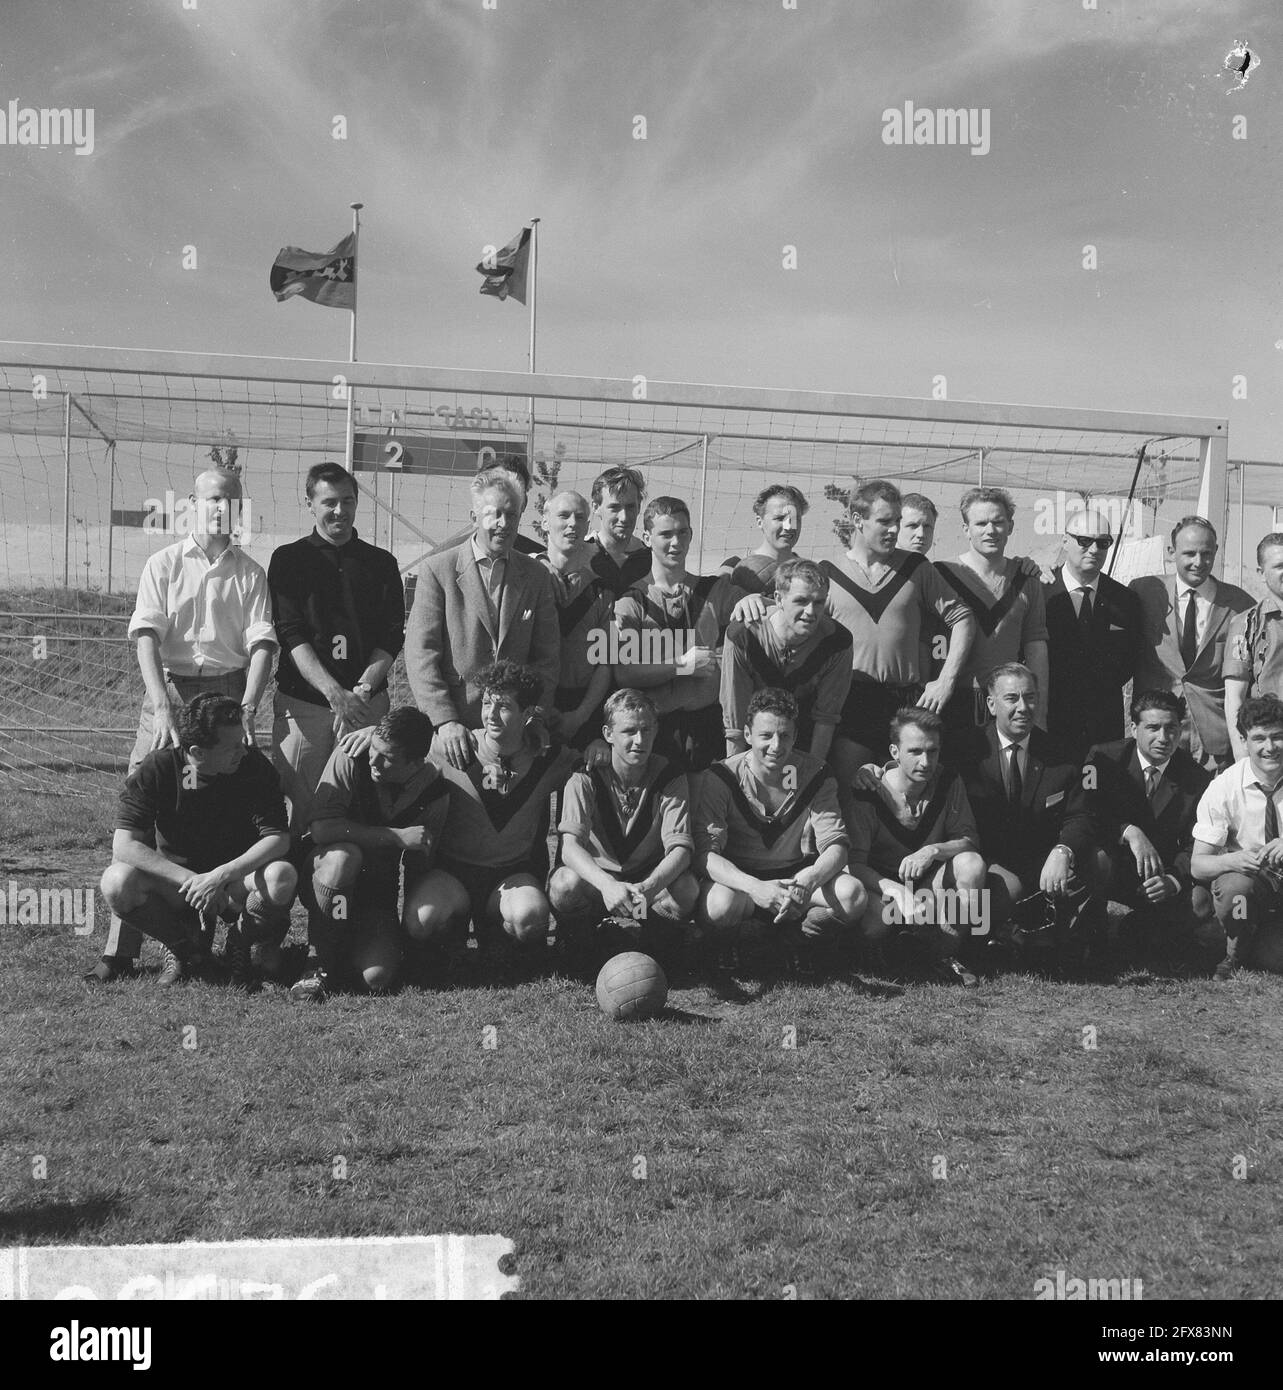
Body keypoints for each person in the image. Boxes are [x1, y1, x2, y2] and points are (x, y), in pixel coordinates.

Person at [87, 467, 277, 983]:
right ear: (192, 503)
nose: (223, 508)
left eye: (233, 500)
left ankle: (224, 939)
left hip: (230, 695)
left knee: (231, 810)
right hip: (168, 694)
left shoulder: (252, 572)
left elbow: (263, 644)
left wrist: (249, 707)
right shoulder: (163, 563)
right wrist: (162, 706)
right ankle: (121, 951)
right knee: (143, 815)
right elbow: (146, 635)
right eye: (214, 498)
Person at [97, 694, 297, 989]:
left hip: (235, 884)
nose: (242, 750)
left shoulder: (253, 765)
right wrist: (194, 881)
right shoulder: (159, 767)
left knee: (282, 875)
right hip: (179, 887)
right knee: (115, 882)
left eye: (241, 741)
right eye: (231, 747)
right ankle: (183, 947)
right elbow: (124, 846)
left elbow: (278, 840)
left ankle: (238, 946)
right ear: (198, 752)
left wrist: (221, 875)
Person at [268, 461, 405, 839]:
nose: (339, 511)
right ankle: (286, 893)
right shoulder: (288, 560)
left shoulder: (381, 563)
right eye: (329, 502)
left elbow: (392, 636)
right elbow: (291, 634)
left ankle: (354, 897)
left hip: (365, 705)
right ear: (310, 503)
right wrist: (334, 694)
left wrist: (360, 691)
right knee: (303, 813)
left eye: (347, 501)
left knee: (364, 806)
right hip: (307, 707)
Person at [413, 661, 579, 960]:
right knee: (422, 921)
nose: (490, 714)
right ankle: (455, 934)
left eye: (503, 706)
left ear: (528, 714)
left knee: (530, 919)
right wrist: (369, 732)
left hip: (510, 873)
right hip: (454, 873)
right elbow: (403, 742)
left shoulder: (549, 758)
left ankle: (496, 934)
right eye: (486, 702)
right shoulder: (452, 747)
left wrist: (597, 747)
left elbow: (584, 764)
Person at [289, 707, 451, 1002]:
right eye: (374, 748)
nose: (373, 760)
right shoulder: (351, 754)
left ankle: (348, 946)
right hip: (326, 875)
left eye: (387, 757)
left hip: (375, 896)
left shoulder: (434, 791)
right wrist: (395, 837)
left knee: (377, 978)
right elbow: (322, 830)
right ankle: (317, 961)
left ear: (415, 763)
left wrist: (409, 938)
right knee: (345, 858)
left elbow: (419, 868)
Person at [695, 689, 866, 969]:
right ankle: (737, 944)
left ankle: (799, 942)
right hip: (742, 883)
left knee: (853, 895)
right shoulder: (721, 777)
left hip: (795, 879)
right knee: (719, 906)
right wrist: (755, 887)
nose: (776, 745)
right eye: (766, 736)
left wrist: (808, 880)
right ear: (748, 735)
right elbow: (705, 854)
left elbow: (836, 845)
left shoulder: (815, 773)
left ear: (795, 736)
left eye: (784, 735)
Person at [404, 469, 560, 772]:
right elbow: (421, 653)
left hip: (517, 736)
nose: (503, 524)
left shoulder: (537, 575)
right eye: (494, 514)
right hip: (457, 734)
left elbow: (548, 659)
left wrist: (534, 717)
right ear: (474, 517)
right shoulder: (439, 570)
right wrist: (444, 720)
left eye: (511, 515)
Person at [822, 480, 975, 778]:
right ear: (857, 520)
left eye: (897, 521)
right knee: (851, 793)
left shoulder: (917, 568)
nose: (893, 529)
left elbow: (962, 618)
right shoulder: (829, 573)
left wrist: (945, 680)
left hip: (907, 701)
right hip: (851, 700)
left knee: (907, 800)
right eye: (884, 521)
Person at [955, 663, 1102, 963]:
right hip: (991, 861)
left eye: (1030, 697)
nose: (1023, 707)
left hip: (1044, 860)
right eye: (1012, 698)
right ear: (991, 704)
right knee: (1005, 894)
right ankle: (1004, 933)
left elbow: (1081, 815)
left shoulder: (1063, 753)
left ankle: (1075, 935)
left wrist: (1063, 850)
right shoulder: (965, 750)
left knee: (1098, 861)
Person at [549, 689, 698, 971]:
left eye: (646, 730)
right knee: (563, 885)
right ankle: (580, 944)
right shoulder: (585, 775)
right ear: (607, 733)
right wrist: (607, 885)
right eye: (628, 731)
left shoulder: (671, 775)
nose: (639, 740)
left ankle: (654, 944)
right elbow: (569, 847)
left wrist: (648, 887)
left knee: (686, 888)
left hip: (645, 888)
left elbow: (681, 850)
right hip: (598, 886)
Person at [846, 707, 986, 986]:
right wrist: (896, 891)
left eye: (932, 751)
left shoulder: (948, 781)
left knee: (972, 864)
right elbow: (853, 863)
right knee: (877, 923)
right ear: (894, 752)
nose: (925, 761)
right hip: (882, 887)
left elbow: (970, 841)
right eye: (915, 752)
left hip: (927, 883)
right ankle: (881, 951)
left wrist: (932, 850)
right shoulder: (870, 790)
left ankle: (947, 953)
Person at [613, 495, 746, 774]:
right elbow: (624, 673)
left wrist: (755, 600)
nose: (676, 542)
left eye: (682, 532)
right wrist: (682, 666)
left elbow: (773, 610)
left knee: (707, 811)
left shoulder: (715, 591)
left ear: (691, 534)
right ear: (647, 538)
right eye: (666, 534)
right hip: (654, 730)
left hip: (709, 727)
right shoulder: (631, 601)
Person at [1085, 690, 1214, 962]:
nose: (1163, 738)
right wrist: (1127, 831)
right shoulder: (1101, 759)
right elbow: (1085, 813)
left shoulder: (1197, 778)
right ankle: (1091, 934)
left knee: (1200, 902)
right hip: (1113, 865)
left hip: (1159, 874)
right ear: (1134, 728)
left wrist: (1174, 879)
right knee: (1095, 859)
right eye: (1153, 728)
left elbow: (1198, 843)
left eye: (1171, 729)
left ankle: (1136, 931)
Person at [1129, 516, 1253, 771]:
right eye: (1189, 553)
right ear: (1171, 552)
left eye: (1206, 554)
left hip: (1213, 741)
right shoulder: (1144, 592)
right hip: (1157, 734)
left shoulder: (1241, 605)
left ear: (1216, 551)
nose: (1198, 562)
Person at [935, 487, 1049, 745]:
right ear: (966, 529)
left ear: (1010, 526)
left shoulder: (1027, 579)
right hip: (952, 699)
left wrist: (1039, 713)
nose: (990, 530)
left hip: (1007, 703)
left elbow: (1036, 649)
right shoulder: (940, 574)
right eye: (981, 523)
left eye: (998, 522)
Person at [720, 558, 852, 762]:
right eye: (801, 601)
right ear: (778, 599)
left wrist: (813, 773)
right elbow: (735, 722)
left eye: (818, 602)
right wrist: (734, 778)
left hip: (802, 735)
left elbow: (826, 718)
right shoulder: (744, 635)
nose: (810, 612)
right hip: (754, 736)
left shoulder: (837, 641)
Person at [1191, 694, 1283, 980]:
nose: (1270, 747)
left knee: (1274, 960)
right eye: (1259, 738)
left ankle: (1259, 939)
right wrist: (1234, 859)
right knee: (1235, 889)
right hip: (1254, 887)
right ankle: (1234, 955)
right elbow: (1198, 865)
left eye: (1278, 737)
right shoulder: (1225, 786)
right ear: (1243, 740)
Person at [1043, 506, 1143, 764]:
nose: (1094, 549)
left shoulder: (1125, 600)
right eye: (1084, 541)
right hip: (1049, 721)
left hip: (1103, 727)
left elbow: (1131, 659)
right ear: (1065, 541)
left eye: (1103, 542)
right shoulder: (1040, 592)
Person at [537, 490, 615, 750]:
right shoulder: (528, 579)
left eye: (580, 517)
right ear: (545, 522)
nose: (572, 523)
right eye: (563, 515)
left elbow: (605, 662)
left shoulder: (601, 589)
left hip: (582, 709)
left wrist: (580, 716)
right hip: (532, 706)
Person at [1224, 534, 1283, 762]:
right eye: (1279, 566)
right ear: (1261, 574)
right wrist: (1241, 753)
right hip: (1270, 746)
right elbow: (1234, 697)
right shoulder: (1246, 624)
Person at [718, 484, 807, 594]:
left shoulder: (811, 572)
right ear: (760, 522)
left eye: (794, 519)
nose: (788, 526)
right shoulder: (733, 567)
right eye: (779, 518)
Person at [586, 465, 652, 601]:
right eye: (614, 507)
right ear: (596, 507)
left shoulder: (652, 560)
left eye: (630, 507)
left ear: (639, 506)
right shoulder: (579, 553)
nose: (624, 517)